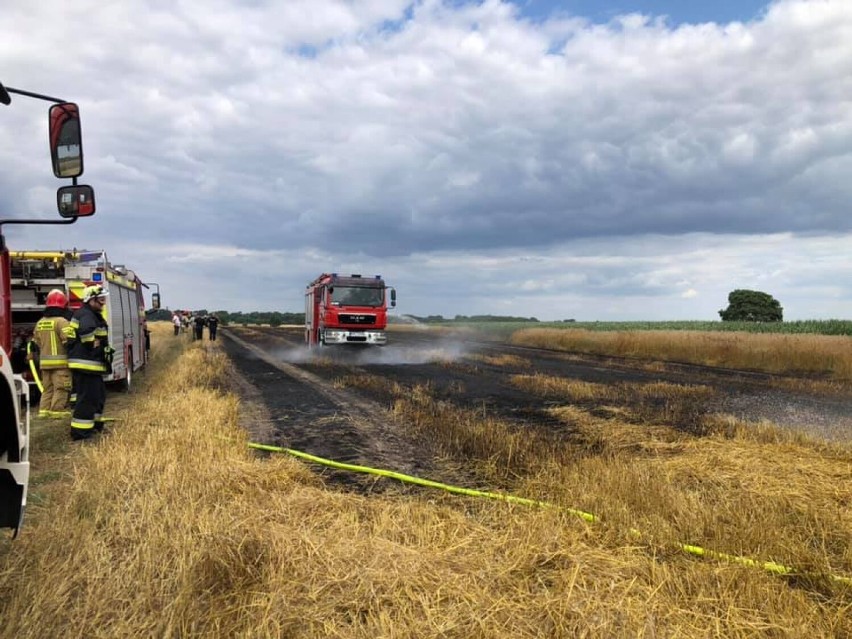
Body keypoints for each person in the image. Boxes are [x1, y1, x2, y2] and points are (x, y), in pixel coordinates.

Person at [64, 285, 112, 441]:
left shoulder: (90, 313)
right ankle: (80, 434)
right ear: (91, 300)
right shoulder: (86, 315)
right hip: (86, 365)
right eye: (101, 299)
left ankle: (95, 426)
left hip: (91, 365)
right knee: (87, 399)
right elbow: (86, 334)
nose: (103, 303)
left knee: (98, 396)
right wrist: (94, 343)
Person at [31, 289, 72, 418]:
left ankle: (44, 411)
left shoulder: (40, 322)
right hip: (61, 363)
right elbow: (69, 341)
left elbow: (36, 343)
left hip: (44, 363)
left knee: (47, 389)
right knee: (61, 388)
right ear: (63, 306)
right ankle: (57, 411)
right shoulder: (62, 322)